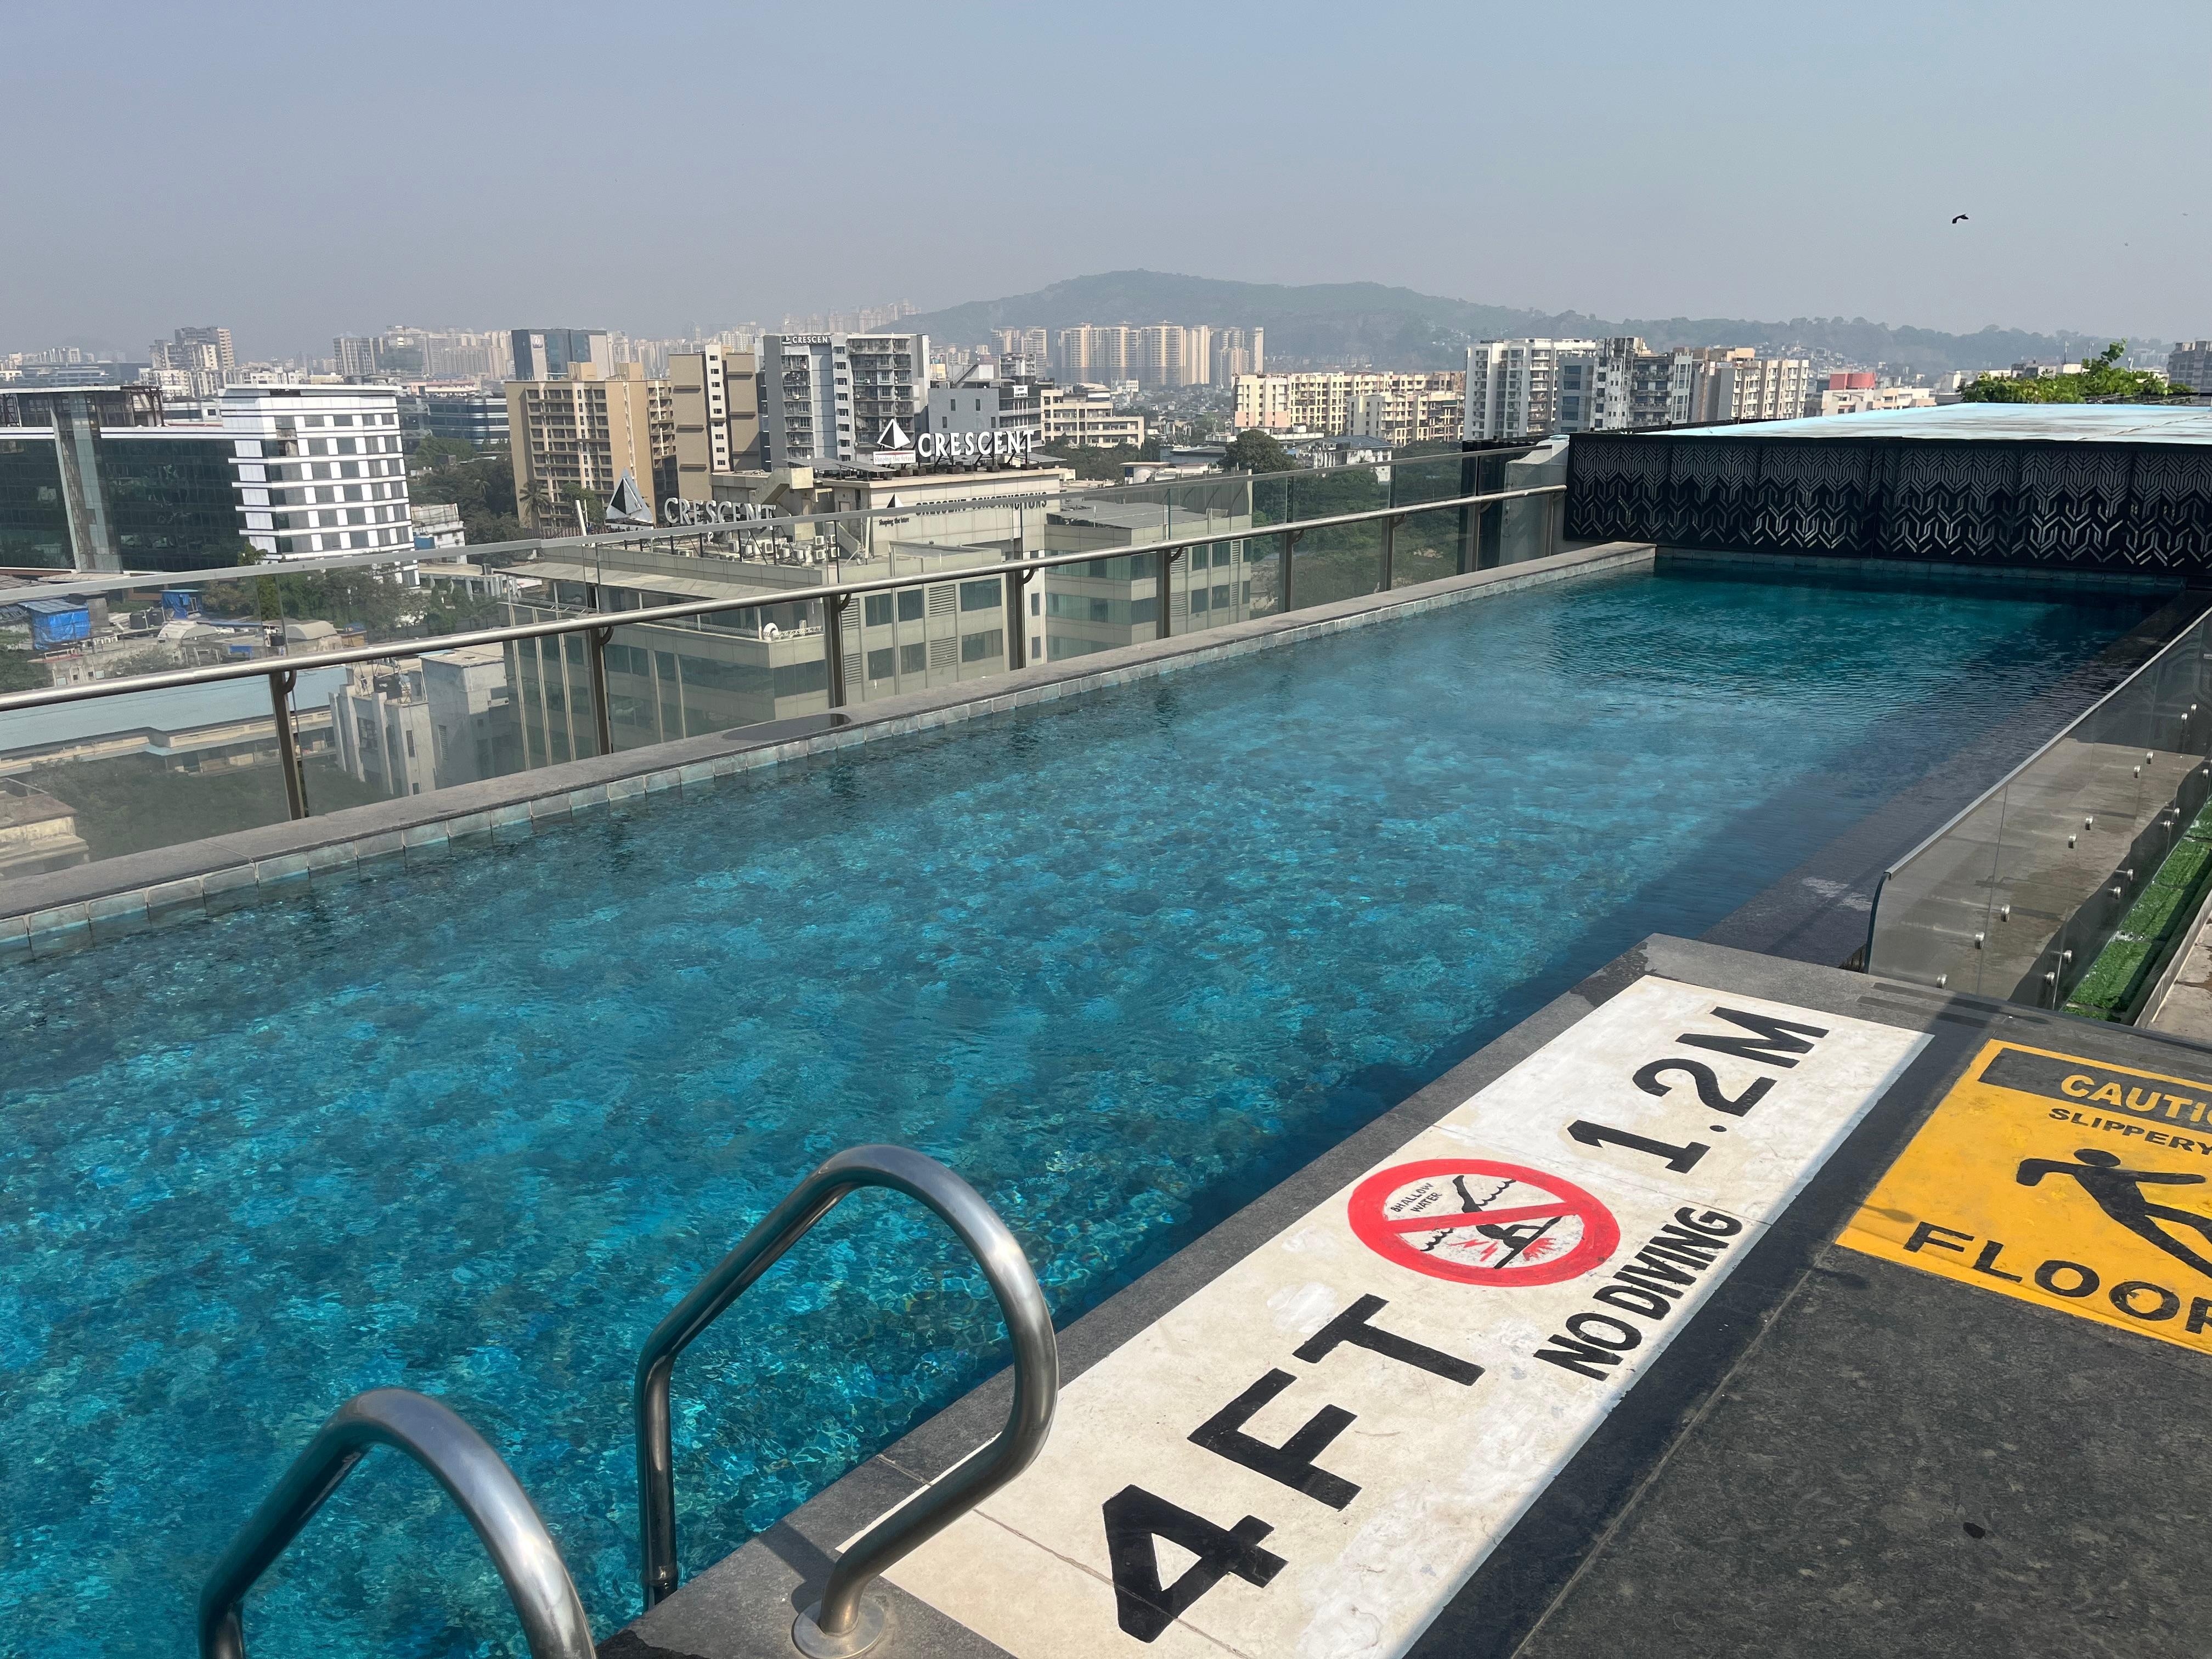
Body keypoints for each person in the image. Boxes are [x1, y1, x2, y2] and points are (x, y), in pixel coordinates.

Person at [2017, 1147, 2212, 1280]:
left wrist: (2194, 1178)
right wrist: (2194, 1178)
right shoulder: (2099, 1173)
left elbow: (2042, 1164)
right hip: (2125, 1211)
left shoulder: (2083, 1171)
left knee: (2185, 1228)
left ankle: (2206, 1266)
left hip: (2133, 1208)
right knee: (2170, 1239)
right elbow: (2155, 1178)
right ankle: (2206, 1269)